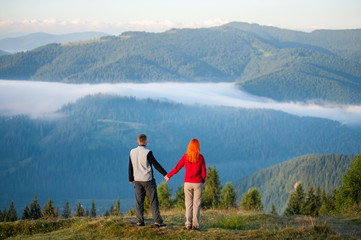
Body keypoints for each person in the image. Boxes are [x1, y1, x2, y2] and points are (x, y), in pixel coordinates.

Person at [165, 138, 206, 230]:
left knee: (188, 204)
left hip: (187, 183)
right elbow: (204, 172)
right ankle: (195, 225)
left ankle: (188, 223)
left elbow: (177, 168)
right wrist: (202, 181)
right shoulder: (201, 157)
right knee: (197, 204)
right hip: (198, 183)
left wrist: (169, 175)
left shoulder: (185, 157)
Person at [129, 134, 167, 227]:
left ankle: (140, 221)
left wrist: (131, 178)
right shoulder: (148, 152)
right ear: (145, 141)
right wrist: (165, 174)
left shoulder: (132, 152)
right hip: (148, 180)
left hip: (137, 180)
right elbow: (155, 164)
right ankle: (157, 221)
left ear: (138, 141)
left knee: (139, 201)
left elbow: (130, 166)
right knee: (153, 200)